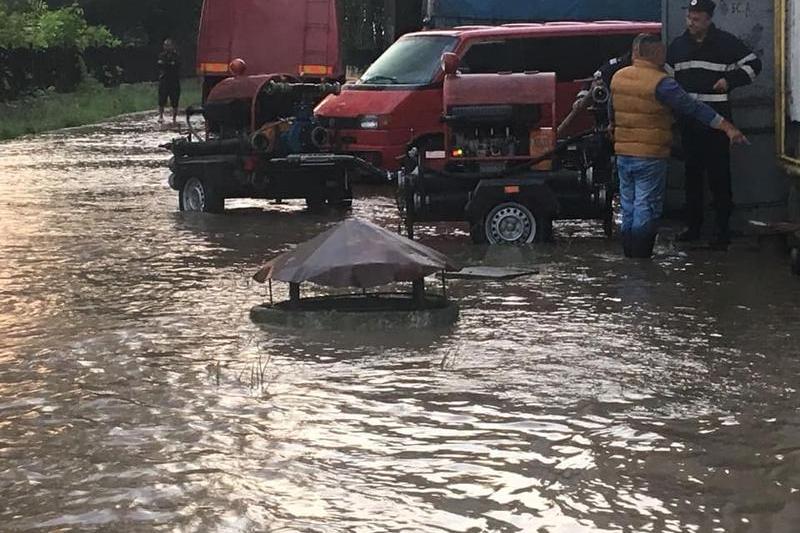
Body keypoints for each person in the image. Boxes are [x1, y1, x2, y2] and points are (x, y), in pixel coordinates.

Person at [610, 34, 749, 259]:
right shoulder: (662, 83)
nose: (666, 55)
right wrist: (726, 126)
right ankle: (641, 257)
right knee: (647, 204)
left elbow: (612, 109)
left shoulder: (618, 77)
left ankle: (629, 254)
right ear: (654, 54)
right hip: (650, 154)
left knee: (628, 204)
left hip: (623, 153)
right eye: (662, 52)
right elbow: (693, 108)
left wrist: (613, 128)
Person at [666, 0, 762, 248]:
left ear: (708, 19)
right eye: (689, 17)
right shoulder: (677, 46)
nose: (690, 23)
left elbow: (754, 64)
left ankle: (722, 230)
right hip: (688, 123)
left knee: (719, 176)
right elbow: (666, 78)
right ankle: (693, 227)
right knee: (692, 175)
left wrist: (730, 80)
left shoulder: (726, 43)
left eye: (696, 19)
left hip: (717, 122)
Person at [158, 39, 181, 124]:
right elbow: (160, 65)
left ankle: (174, 118)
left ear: (172, 46)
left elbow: (176, 65)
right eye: (165, 45)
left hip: (174, 80)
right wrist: (169, 64)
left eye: (168, 45)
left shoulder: (176, 56)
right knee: (161, 99)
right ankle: (160, 116)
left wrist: (167, 64)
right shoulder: (161, 55)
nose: (167, 47)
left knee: (175, 100)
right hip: (164, 80)